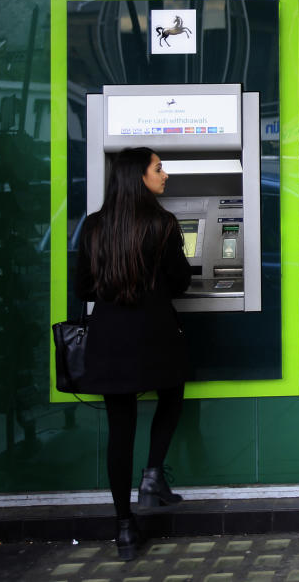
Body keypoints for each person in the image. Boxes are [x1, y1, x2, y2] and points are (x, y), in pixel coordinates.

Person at [74, 147, 191, 561]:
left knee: (119, 430)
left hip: (110, 339)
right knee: (172, 394)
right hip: (155, 334)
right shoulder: (163, 225)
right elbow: (181, 283)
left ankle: (124, 527)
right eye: (158, 168)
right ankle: (153, 473)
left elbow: (83, 289)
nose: (165, 175)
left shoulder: (93, 227)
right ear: (139, 177)